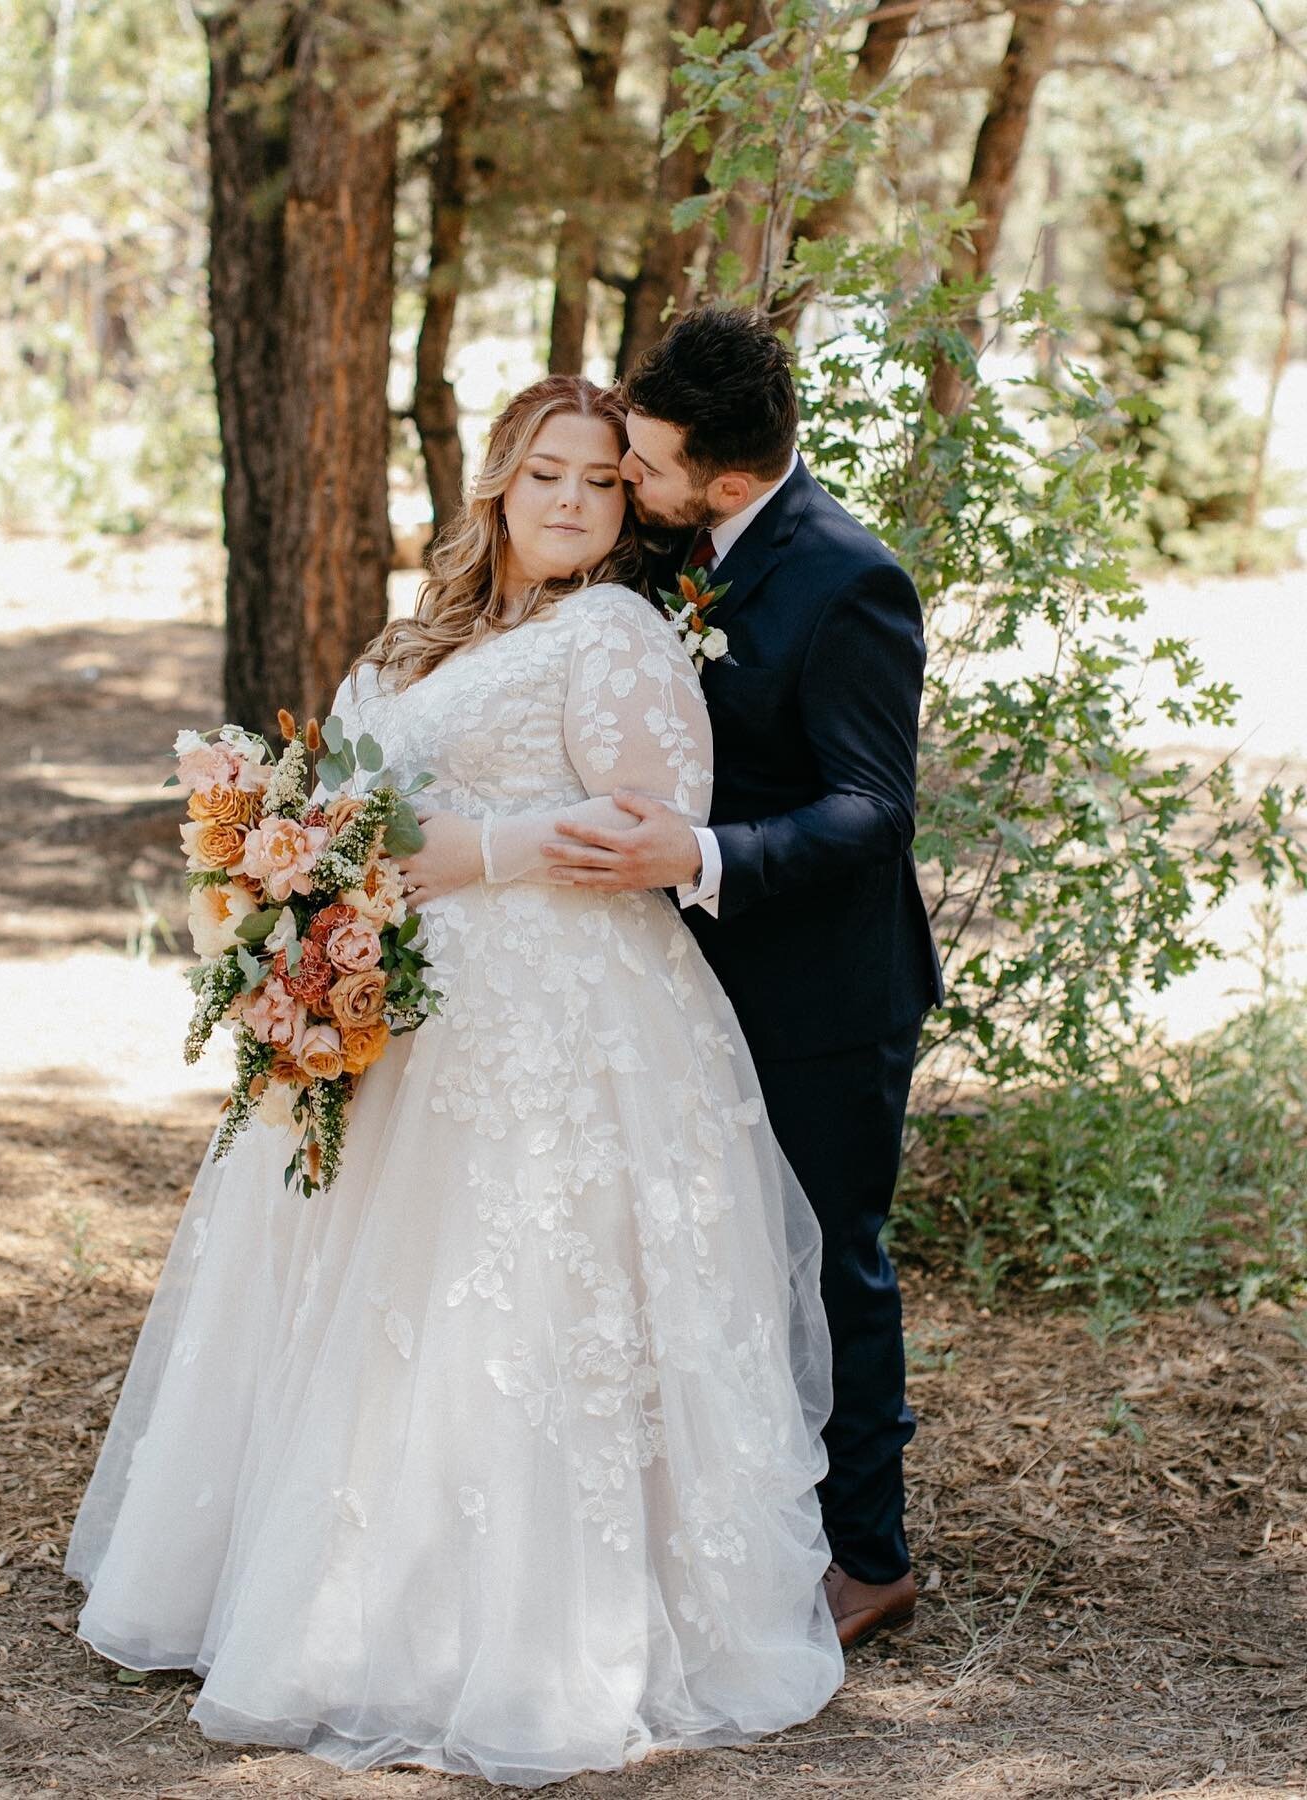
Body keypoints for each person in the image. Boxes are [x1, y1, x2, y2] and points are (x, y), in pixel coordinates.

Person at [64, 374, 845, 1788]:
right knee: (367, 1299)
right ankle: (317, 1591)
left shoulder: (617, 634)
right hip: (398, 1013)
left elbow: (659, 824)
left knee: (519, 1304)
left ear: (627, 508)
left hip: (558, 1014)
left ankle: (519, 1635)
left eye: (602, 481)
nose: (568, 499)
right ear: (499, 480)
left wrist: (473, 857)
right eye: (546, 471)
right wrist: (293, 904)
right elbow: (349, 805)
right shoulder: (417, 639)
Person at [523, 309, 946, 1649]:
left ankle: (868, 1558)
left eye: (644, 468)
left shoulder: (849, 582)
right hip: (669, 986)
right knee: (697, 1261)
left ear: (735, 480)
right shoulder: (667, 541)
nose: (626, 486)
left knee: (831, 1262)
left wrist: (698, 849)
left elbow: (873, 811)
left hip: (824, 990)